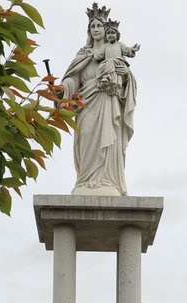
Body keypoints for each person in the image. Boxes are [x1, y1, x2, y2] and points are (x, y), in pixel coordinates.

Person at [59, 10, 136, 196]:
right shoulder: (84, 54)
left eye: (99, 25)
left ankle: (108, 181)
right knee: (86, 134)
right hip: (86, 104)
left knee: (109, 139)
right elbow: (73, 80)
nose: (96, 29)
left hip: (109, 101)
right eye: (92, 26)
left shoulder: (115, 52)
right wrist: (63, 89)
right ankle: (85, 181)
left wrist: (124, 75)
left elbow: (127, 78)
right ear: (88, 31)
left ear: (106, 28)